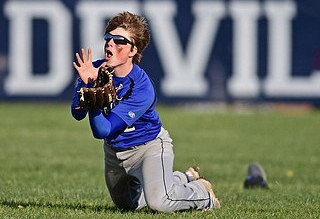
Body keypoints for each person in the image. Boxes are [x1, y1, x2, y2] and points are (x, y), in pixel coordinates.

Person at [71, 11, 220, 213]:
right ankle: (182, 177)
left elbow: (103, 130)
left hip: (148, 148)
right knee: (127, 205)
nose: (110, 44)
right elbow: (77, 114)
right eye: (108, 38)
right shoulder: (94, 70)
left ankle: (202, 193)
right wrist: (87, 87)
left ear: (133, 50)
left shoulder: (141, 87)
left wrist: (94, 100)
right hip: (115, 152)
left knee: (160, 203)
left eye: (119, 41)